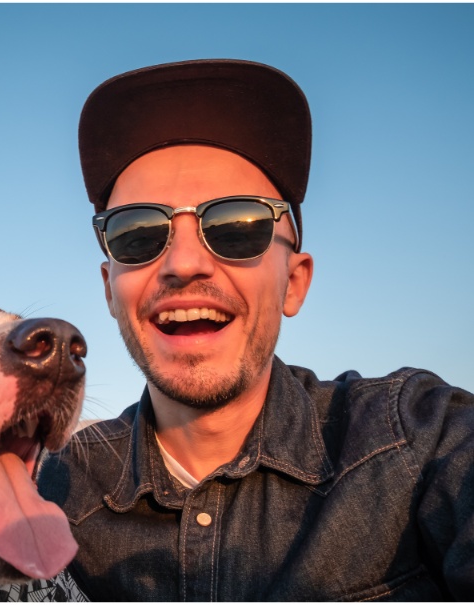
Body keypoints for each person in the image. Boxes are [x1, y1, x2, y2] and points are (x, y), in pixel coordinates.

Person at [33, 58, 474, 600]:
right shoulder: (48, 494)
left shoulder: (414, 440)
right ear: (109, 287)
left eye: (236, 226)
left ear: (294, 281)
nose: (184, 263)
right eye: (138, 232)